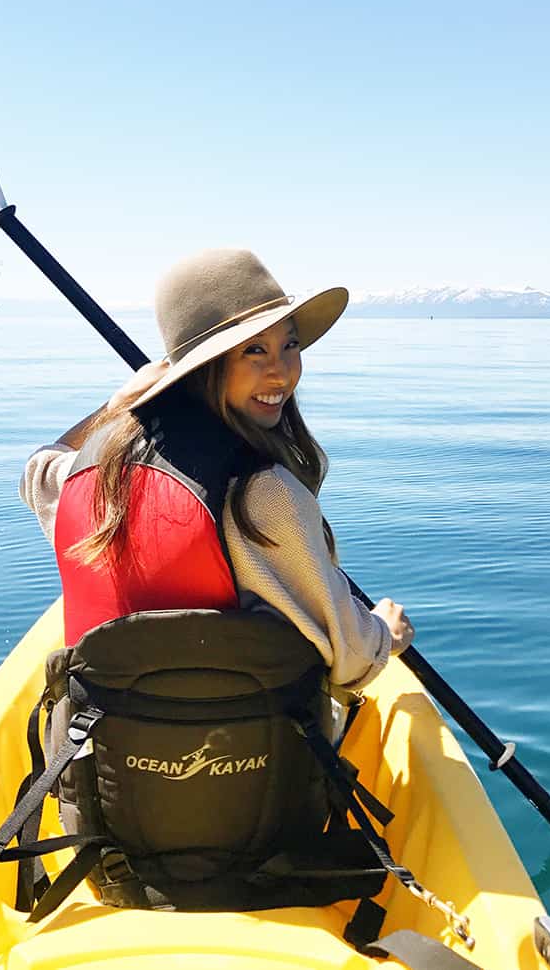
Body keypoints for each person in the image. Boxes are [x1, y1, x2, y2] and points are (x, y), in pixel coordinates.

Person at [20, 247, 412, 691]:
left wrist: (114, 407)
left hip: (96, 745)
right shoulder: (264, 493)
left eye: (290, 345)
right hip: (241, 753)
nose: (281, 373)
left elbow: (38, 468)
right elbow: (351, 660)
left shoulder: (87, 472)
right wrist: (384, 633)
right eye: (254, 351)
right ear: (205, 366)